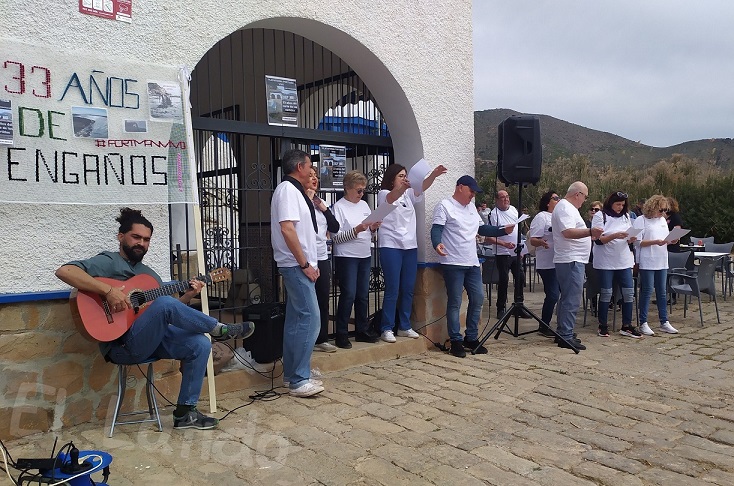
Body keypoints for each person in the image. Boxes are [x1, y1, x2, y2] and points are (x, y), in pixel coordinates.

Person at [55, 208, 255, 430]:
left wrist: (188, 294)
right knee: (165, 304)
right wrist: (108, 291)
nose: (141, 243)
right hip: (122, 345)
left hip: (150, 341)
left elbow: (168, 313)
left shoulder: (149, 276)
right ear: (121, 236)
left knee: (200, 343)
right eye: (136, 237)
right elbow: (65, 271)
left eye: (147, 240)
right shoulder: (108, 262)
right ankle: (220, 329)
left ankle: (185, 414)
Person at [431, 175, 514, 358]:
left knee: (478, 299)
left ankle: (471, 337)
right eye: (471, 191)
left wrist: (502, 230)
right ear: (460, 187)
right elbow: (436, 229)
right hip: (452, 262)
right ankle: (455, 341)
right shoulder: (445, 206)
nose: (473, 195)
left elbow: (482, 229)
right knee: (455, 302)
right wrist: (437, 243)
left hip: (472, 262)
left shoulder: (470, 208)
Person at [271, 149, 324, 397]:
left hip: (301, 264)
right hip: (295, 265)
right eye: (309, 166)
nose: (312, 171)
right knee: (311, 319)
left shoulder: (296, 192)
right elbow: (288, 229)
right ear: (299, 167)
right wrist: (304, 264)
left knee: (296, 320)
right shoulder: (288, 190)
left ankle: (292, 373)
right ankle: (299, 379)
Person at [376, 162, 447, 343]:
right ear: (392, 179)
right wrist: (403, 188)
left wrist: (433, 176)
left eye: (406, 175)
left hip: (409, 246)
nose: (405, 179)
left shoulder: (409, 194)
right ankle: (387, 327)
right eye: (401, 176)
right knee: (393, 288)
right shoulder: (384, 193)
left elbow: (421, 187)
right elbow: (392, 198)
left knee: (408, 288)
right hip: (391, 245)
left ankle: (404, 326)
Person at [331, 170, 381, 348]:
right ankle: (341, 333)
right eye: (358, 190)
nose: (362, 194)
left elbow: (369, 232)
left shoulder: (364, 206)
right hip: (347, 256)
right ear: (347, 188)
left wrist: (373, 228)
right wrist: (357, 230)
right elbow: (335, 238)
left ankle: (362, 330)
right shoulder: (339, 208)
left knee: (362, 294)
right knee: (348, 294)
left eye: (363, 190)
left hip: (364, 254)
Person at [552, 182, 603, 351]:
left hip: (573, 258)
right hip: (571, 259)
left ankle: (563, 331)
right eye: (585, 197)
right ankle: (565, 334)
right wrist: (590, 232)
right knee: (571, 297)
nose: (584, 201)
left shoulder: (567, 208)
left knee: (568, 296)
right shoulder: (565, 208)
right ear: (577, 194)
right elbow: (567, 232)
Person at [591, 191, 639, 338]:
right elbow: (598, 239)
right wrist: (614, 235)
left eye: (622, 205)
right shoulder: (601, 216)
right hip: (606, 260)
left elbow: (629, 236)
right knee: (606, 293)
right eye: (617, 204)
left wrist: (631, 238)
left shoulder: (626, 216)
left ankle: (626, 325)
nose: (620, 207)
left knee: (628, 292)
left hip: (623, 259)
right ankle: (603, 325)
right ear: (611, 203)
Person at [633, 195, 679, 336]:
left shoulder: (662, 221)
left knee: (662, 291)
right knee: (647, 291)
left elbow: (665, 238)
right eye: (661, 209)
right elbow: (637, 242)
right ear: (653, 207)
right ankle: (643, 322)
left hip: (662, 259)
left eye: (665, 210)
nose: (663, 213)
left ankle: (664, 321)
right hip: (647, 259)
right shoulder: (641, 220)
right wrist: (654, 242)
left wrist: (672, 240)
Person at [305, 168, 340, 353]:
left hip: (322, 256)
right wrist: (309, 201)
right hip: (305, 257)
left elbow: (335, 226)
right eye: (310, 176)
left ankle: (322, 338)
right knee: (307, 302)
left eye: (316, 176)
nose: (314, 179)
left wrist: (324, 208)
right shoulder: (300, 201)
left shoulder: (322, 202)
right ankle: (307, 339)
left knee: (323, 298)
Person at [484, 190, 525, 317]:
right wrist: (504, 244)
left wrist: (521, 248)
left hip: (515, 251)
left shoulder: (513, 210)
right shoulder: (493, 214)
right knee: (504, 279)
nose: (506, 199)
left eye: (507, 197)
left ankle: (519, 305)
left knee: (520, 277)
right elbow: (489, 237)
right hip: (502, 252)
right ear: (497, 200)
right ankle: (500, 308)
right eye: (502, 198)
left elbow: (518, 229)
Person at [528, 190, 561, 337]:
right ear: (548, 202)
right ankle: (544, 325)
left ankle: (560, 324)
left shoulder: (560, 217)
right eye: (555, 198)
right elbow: (533, 239)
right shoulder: (541, 217)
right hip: (547, 262)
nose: (558, 200)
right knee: (553, 294)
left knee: (560, 294)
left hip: (560, 260)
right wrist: (541, 242)